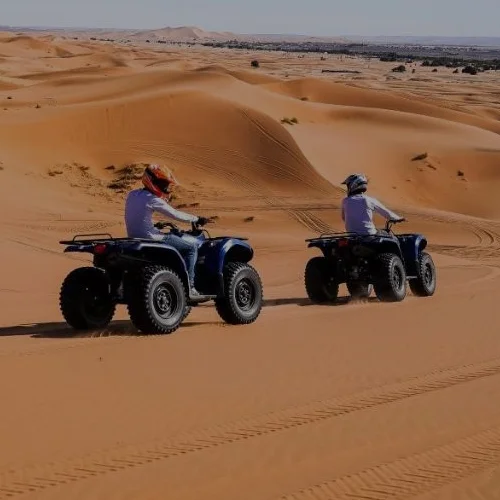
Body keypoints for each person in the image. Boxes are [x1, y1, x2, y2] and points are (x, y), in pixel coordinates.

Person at [125, 164, 212, 298]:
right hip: (151, 237)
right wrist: (196, 219)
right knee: (191, 248)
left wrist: (156, 225)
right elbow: (175, 214)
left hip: (134, 237)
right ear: (152, 181)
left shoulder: (133, 194)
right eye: (162, 183)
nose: (165, 187)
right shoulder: (152, 198)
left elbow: (138, 215)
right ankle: (190, 287)